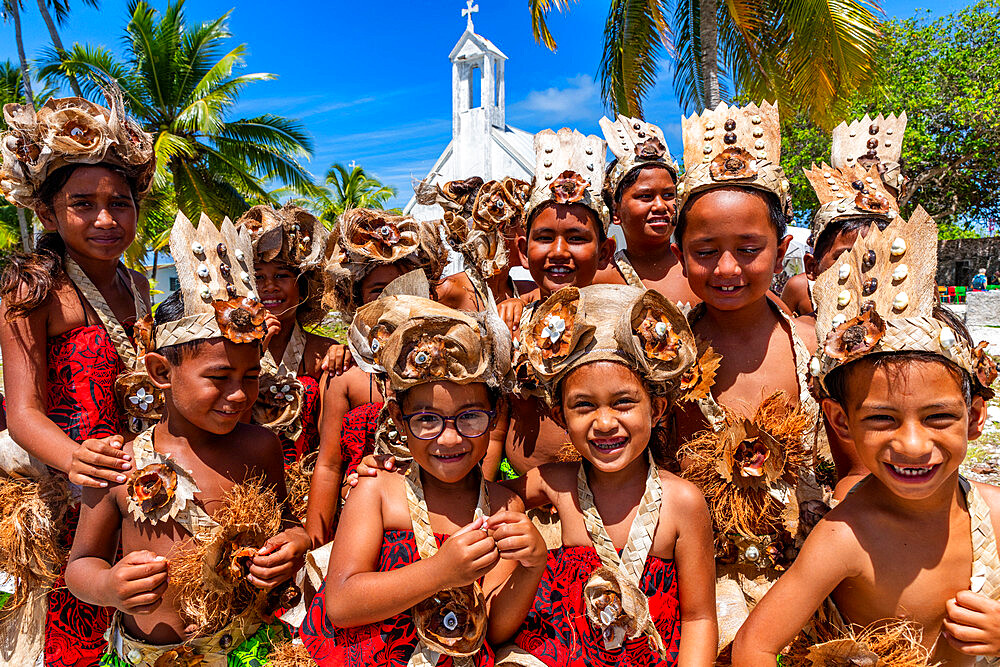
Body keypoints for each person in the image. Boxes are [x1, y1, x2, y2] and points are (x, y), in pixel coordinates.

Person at [731, 206, 1000, 665]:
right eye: (881, 420)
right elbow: (754, 646)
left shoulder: (994, 512)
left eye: (938, 418)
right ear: (840, 422)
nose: (912, 445)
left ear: (974, 416)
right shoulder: (843, 538)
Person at [65, 211, 309, 665]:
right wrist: (108, 586)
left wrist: (295, 544)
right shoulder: (119, 465)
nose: (238, 394)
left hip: (249, 648)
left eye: (251, 375)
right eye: (218, 376)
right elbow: (81, 565)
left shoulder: (261, 447)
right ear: (161, 371)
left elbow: (288, 523)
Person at [301, 292, 546, 667]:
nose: (450, 438)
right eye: (427, 420)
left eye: (470, 417)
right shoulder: (378, 491)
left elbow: (492, 628)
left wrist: (531, 567)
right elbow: (341, 604)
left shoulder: (503, 507)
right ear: (399, 419)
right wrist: (440, 572)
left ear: (496, 415)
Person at [0, 92, 157, 665]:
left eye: (120, 202)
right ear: (47, 213)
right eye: (83, 203)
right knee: (68, 639)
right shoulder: (33, 291)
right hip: (64, 490)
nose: (106, 220)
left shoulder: (140, 288)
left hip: (132, 486)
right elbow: (23, 413)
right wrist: (77, 461)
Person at [668, 101, 824, 651]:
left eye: (749, 249)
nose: (728, 269)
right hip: (696, 587)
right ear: (680, 256)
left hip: (811, 575)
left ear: (782, 252)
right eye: (706, 252)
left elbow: (852, 471)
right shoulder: (662, 354)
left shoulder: (810, 345)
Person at [499, 284, 717, 665]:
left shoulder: (682, 502)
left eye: (624, 403)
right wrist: (387, 471)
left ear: (658, 408)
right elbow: (484, 496)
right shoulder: (557, 483)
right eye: (583, 406)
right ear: (559, 417)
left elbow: (699, 618)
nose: (604, 422)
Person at [305, 209, 449, 546]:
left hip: (438, 521)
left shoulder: (451, 366)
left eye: (405, 287)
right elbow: (327, 466)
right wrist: (312, 545)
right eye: (378, 291)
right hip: (360, 528)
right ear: (356, 301)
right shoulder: (344, 375)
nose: (392, 300)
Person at [498, 128, 615, 477]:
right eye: (545, 237)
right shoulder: (511, 327)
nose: (559, 252)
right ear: (522, 251)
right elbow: (495, 424)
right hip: (523, 503)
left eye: (577, 238)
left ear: (605, 252)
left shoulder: (627, 324)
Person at [236, 204, 337, 466]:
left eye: (281, 275)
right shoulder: (228, 349)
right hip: (246, 480)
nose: (269, 286)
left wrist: (345, 355)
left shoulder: (326, 351)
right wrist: (253, 351)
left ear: (302, 290)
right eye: (258, 277)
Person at [593, 114, 699, 306]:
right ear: (616, 213)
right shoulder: (600, 281)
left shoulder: (701, 272)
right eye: (645, 197)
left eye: (668, 195)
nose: (660, 206)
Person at [417, 176, 535, 314]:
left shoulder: (532, 294)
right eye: (526, 224)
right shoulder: (444, 294)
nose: (535, 236)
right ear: (501, 230)